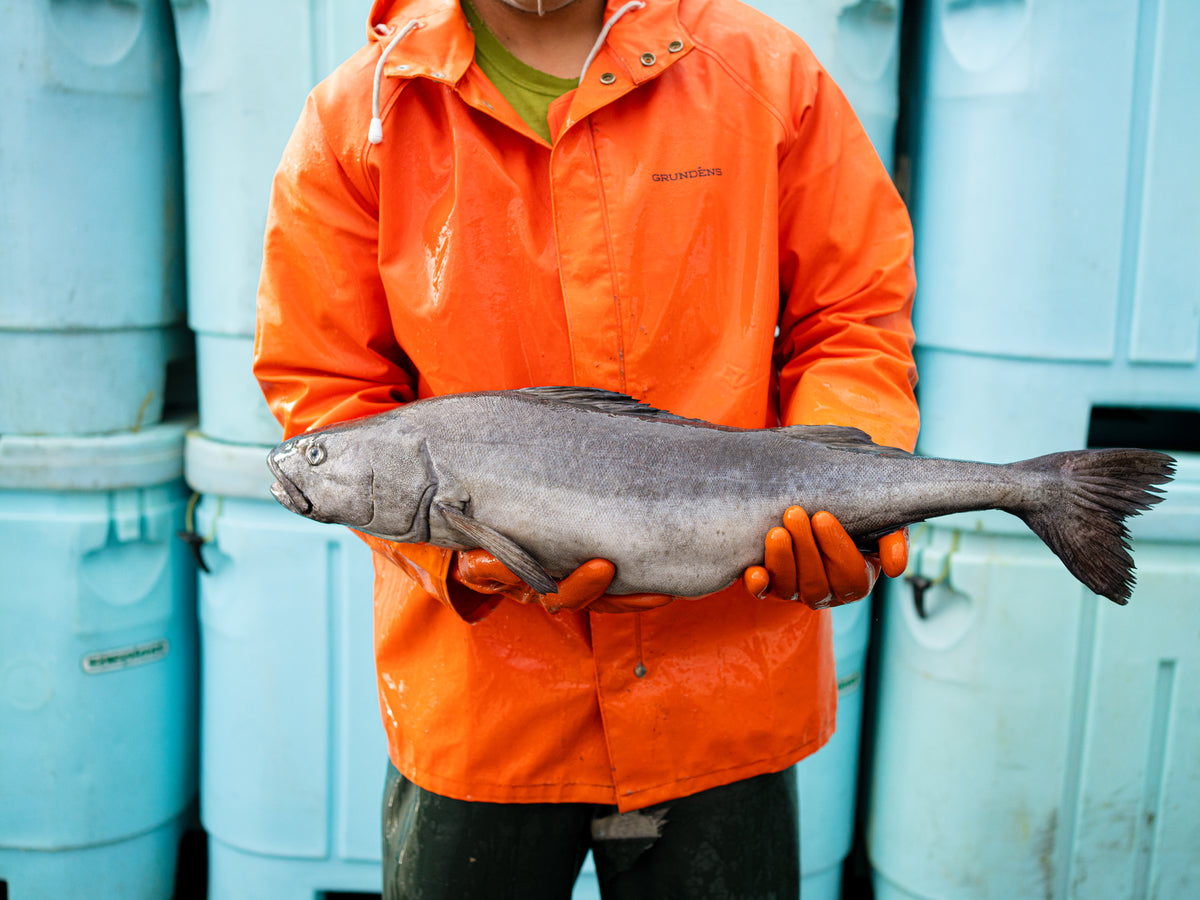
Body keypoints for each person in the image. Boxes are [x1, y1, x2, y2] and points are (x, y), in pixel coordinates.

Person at [254, 0, 918, 896]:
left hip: (721, 695)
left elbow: (853, 317)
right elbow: (325, 389)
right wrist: (456, 561)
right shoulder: (359, 118)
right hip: (481, 709)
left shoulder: (765, 74)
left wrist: (845, 489)